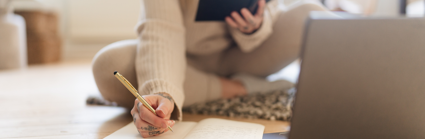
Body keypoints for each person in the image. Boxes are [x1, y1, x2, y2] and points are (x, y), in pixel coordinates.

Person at [92, 0, 327, 138]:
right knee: (109, 66)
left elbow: (274, 7)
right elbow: (161, 30)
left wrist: (255, 26)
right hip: (183, 61)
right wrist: (162, 93)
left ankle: (216, 86)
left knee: (312, 14)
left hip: (244, 55)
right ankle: (237, 87)